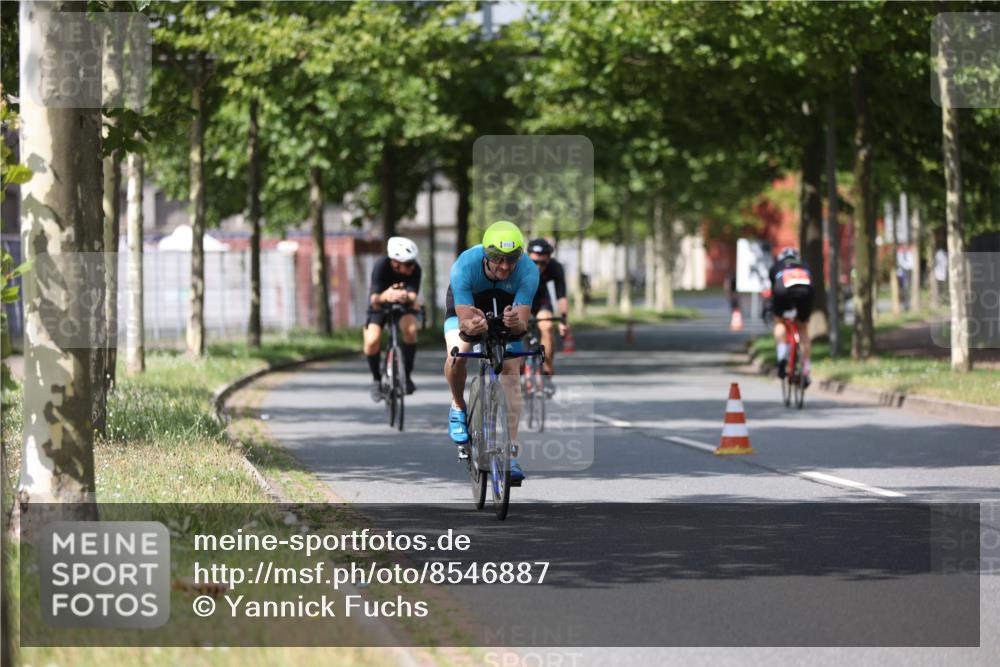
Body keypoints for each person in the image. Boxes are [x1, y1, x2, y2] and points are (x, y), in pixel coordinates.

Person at [443, 220, 539, 485]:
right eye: (498, 260)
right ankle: (457, 405)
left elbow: (521, 323)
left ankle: (511, 453)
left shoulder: (528, 271)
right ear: (486, 255)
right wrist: (473, 325)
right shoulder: (465, 264)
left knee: (512, 371)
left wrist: (513, 322)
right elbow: (463, 320)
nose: (505, 266)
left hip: (507, 306)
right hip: (469, 306)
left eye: (512, 260)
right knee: (457, 353)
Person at [364, 236, 421, 401]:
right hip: (380, 306)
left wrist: (404, 295)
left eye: (413, 262)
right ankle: (376, 379)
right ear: (396, 262)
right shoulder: (381, 266)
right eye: (408, 264)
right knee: (372, 340)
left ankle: (407, 376)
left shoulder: (415, 269)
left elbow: (413, 294)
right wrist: (386, 295)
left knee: (410, 331)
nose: (412, 266)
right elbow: (373, 298)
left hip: (403, 306)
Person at [527, 238, 570, 396]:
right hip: (521, 299)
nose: (538, 267)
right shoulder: (519, 265)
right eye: (534, 262)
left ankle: (547, 370)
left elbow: (561, 296)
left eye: (542, 263)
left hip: (540, 299)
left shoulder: (555, 267)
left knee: (547, 326)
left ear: (549, 259)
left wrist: (564, 320)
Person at [768, 247, 815, 385]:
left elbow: (772, 289)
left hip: (783, 290)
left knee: (780, 322)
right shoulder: (804, 265)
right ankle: (806, 368)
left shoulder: (777, 266)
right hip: (806, 291)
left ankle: (782, 355)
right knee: (803, 328)